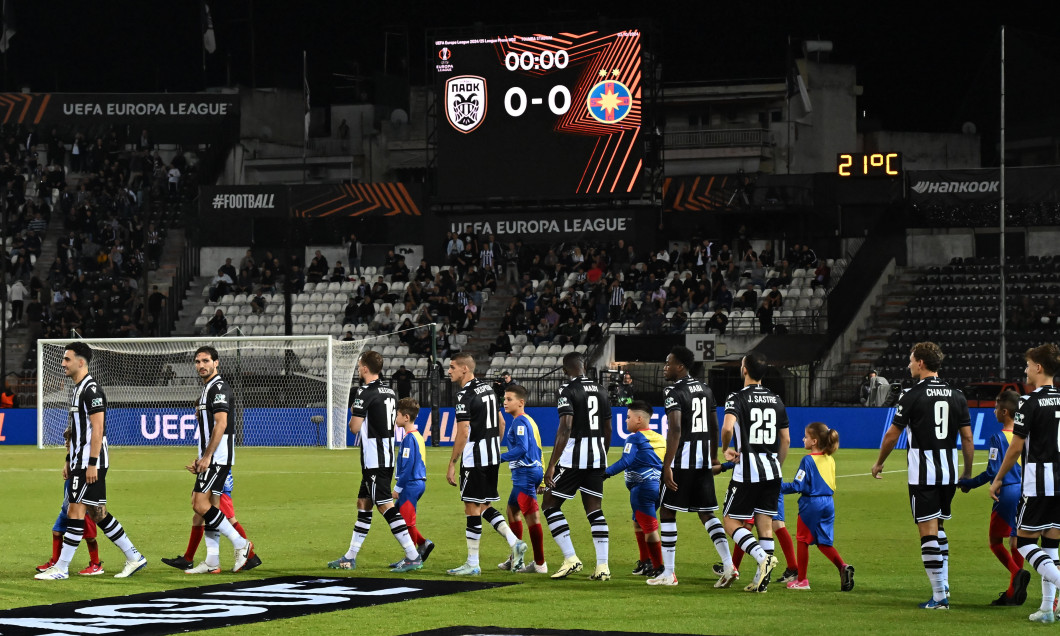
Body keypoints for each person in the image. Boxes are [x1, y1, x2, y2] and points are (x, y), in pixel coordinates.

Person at [871, 341, 973, 609]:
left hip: (923, 474)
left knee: (927, 531)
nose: (908, 364)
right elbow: (967, 438)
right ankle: (944, 584)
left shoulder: (912, 395)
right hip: (949, 473)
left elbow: (893, 433)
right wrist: (968, 471)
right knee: (939, 527)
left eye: (910, 359)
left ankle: (939, 596)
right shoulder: (957, 395)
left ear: (921, 363)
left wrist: (880, 462)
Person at [35, 342, 148, 580]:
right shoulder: (78, 389)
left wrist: (92, 463)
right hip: (80, 460)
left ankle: (62, 568)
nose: (63, 363)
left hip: (89, 462)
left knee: (76, 511)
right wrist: (69, 458)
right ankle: (134, 556)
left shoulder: (91, 390)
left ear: (81, 362)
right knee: (97, 513)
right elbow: (77, 431)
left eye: (67, 359)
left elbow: (98, 429)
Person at [328, 351, 423, 573]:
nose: (358, 368)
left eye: (360, 365)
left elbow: (354, 427)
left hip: (374, 460)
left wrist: (355, 411)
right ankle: (350, 556)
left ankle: (412, 555)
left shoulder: (365, 391)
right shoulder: (389, 391)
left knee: (384, 505)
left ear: (363, 368)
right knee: (363, 504)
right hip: (385, 456)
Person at [989, 344, 1060, 623]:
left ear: (1039, 368)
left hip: (1038, 483)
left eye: (1028, 365)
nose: (1026, 370)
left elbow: (1016, 447)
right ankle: (1047, 608)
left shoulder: (1028, 403)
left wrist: (997, 479)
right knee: (1051, 545)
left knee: (1023, 543)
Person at [651, 346, 730, 586]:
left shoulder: (673, 391)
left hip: (683, 461)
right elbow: (715, 426)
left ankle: (669, 573)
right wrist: (714, 457)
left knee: (666, 511)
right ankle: (729, 565)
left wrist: (667, 466)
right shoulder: (706, 389)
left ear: (681, 366)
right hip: (703, 460)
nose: (665, 367)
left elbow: (674, 429)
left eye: (669, 363)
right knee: (706, 513)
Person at [445, 353, 528, 575]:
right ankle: (515, 543)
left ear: (464, 369)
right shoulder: (488, 390)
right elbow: (501, 422)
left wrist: (453, 462)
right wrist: (493, 446)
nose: (449, 371)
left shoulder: (464, 395)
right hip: (492, 457)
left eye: (452, 367)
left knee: (471, 508)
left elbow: (463, 432)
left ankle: (472, 563)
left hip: (475, 459)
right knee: (484, 506)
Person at [178, 347, 257, 574]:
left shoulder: (219, 387)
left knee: (199, 504)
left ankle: (242, 544)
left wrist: (208, 456)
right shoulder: (207, 389)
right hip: (211, 458)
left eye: (206, 361)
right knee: (208, 505)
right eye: (197, 361)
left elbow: (221, 424)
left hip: (218, 458)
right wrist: (202, 457)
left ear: (216, 363)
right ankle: (212, 560)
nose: (201, 365)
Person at [718, 353, 789, 593]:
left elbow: (727, 427)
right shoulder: (776, 399)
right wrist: (776, 464)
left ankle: (762, 557)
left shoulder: (736, 398)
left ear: (745, 370)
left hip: (747, 472)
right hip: (772, 471)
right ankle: (762, 581)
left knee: (729, 521)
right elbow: (785, 439)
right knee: (765, 525)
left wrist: (726, 448)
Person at [542, 352, 613, 581]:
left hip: (573, 459)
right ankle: (602, 566)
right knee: (595, 510)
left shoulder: (567, 390)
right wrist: (603, 455)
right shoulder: (602, 390)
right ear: (585, 366)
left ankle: (571, 558)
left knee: (550, 504)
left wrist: (552, 464)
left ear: (565, 369)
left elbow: (565, 427)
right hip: (597, 458)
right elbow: (608, 428)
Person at [958, 390, 1030, 606]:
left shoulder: (997, 438)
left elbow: (992, 471)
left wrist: (967, 483)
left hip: (1007, 493)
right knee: (1016, 541)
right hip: (1026, 492)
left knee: (995, 542)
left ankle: (1017, 573)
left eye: (997, 407)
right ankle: (1012, 594)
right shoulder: (1025, 436)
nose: (994, 411)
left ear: (1005, 411)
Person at [779, 422, 855, 591]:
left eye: (806, 436)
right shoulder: (830, 459)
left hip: (811, 504)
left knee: (802, 540)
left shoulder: (807, 460)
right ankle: (842, 567)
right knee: (823, 543)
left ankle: (802, 580)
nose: (803, 439)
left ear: (813, 441)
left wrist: (776, 486)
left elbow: (797, 486)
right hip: (828, 503)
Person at [605, 400, 665, 579]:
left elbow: (626, 461)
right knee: (638, 523)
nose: (626, 421)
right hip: (657, 487)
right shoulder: (660, 438)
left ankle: (659, 567)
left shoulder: (634, 438)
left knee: (649, 527)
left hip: (642, 487)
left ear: (639, 419)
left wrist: (604, 474)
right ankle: (645, 562)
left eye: (628, 417)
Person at [160, 471, 261, 572]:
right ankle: (188, 558)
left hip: (219, 477)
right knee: (198, 518)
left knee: (227, 518)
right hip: (214, 476)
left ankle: (250, 556)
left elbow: (219, 458)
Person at [37, 427, 102, 576]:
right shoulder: (72, 459)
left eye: (69, 440)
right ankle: (55, 562)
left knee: (90, 537)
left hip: (83, 506)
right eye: (65, 440)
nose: (66, 443)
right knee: (57, 531)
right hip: (67, 505)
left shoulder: (84, 461)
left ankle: (96, 564)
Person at [497, 384, 548, 574]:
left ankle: (540, 563)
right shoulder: (529, 421)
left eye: (509, 399)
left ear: (521, 402)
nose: (505, 402)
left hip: (525, 473)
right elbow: (538, 449)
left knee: (532, 517)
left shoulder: (519, 422)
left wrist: (498, 458)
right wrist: (541, 479)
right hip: (531, 472)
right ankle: (515, 557)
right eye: (504, 399)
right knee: (512, 510)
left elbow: (522, 449)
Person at [388, 397, 435, 567]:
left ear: (406, 417)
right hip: (417, 483)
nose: (396, 418)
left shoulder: (409, 439)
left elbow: (407, 468)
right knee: (399, 517)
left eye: (398, 415)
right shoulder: (417, 436)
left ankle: (412, 558)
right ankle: (423, 544)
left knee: (406, 522)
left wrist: (397, 489)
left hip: (410, 485)